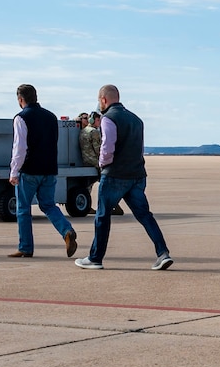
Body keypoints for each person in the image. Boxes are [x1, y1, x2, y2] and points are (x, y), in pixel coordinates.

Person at [74, 84, 173, 271]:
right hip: (136, 174)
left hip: (115, 176)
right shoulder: (137, 120)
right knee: (145, 215)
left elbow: (107, 148)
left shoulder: (108, 119)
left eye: (99, 100)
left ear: (103, 99)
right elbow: (139, 148)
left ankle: (95, 258)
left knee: (102, 216)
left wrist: (103, 164)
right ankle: (163, 253)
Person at [8, 84, 77, 259]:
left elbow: (20, 147)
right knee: (48, 205)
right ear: (35, 97)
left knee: (23, 208)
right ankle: (66, 230)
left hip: (29, 170)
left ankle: (26, 247)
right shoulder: (51, 117)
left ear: (20, 99)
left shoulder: (21, 118)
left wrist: (14, 171)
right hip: (49, 169)